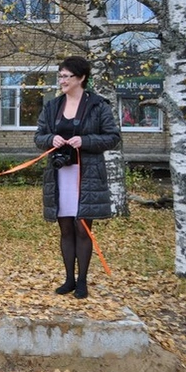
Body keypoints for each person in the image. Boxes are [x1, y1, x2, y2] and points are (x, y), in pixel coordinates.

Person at [34, 56, 121, 299]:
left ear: (81, 78)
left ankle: (82, 281)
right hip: (60, 175)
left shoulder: (98, 106)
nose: (61, 80)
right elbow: (39, 136)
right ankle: (69, 280)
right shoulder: (53, 106)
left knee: (83, 229)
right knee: (65, 229)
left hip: (87, 176)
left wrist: (86, 141)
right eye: (60, 76)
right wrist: (51, 139)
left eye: (66, 76)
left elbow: (113, 137)